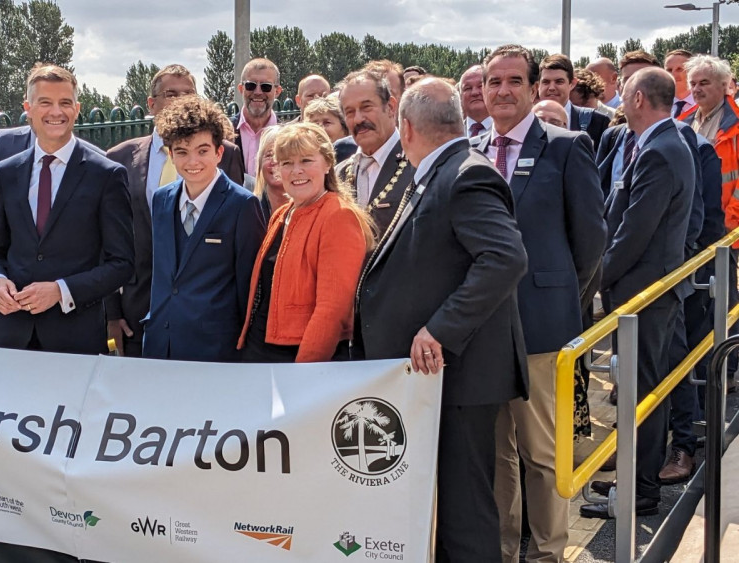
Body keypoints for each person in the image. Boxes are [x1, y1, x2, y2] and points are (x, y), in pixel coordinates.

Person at [358, 76, 528, 562]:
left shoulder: (464, 174)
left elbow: (504, 259)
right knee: (449, 508)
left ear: (406, 127)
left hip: (461, 375)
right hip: (440, 378)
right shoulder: (441, 171)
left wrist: (440, 329)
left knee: (464, 511)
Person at [476, 44, 606, 563]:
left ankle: (549, 551)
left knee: (543, 452)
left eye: (513, 81)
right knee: (496, 452)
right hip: (482, 330)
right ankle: (505, 550)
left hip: (541, 327)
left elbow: (591, 241)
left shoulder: (567, 147)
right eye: (493, 82)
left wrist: (558, 298)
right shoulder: (471, 149)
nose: (502, 91)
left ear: (534, 89)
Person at [581, 67, 697, 520]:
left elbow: (633, 233)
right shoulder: (661, 143)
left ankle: (639, 491)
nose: (621, 104)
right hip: (645, 292)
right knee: (641, 389)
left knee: (644, 393)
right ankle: (636, 479)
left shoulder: (661, 150)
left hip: (644, 295)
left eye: (625, 95)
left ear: (640, 99)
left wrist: (595, 280)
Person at [0, 64, 134, 353]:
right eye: (45, 103)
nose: (56, 112)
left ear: (77, 109)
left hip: (75, 339)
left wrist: (61, 291)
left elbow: (122, 264)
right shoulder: (6, 172)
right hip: (12, 337)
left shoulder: (107, 175)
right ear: (28, 108)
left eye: (65, 103)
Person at [104, 64, 244, 357]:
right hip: (140, 312)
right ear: (151, 104)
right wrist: (111, 312)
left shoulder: (228, 154)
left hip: (209, 324)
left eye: (188, 93)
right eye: (171, 94)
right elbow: (108, 237)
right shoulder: (119, 158)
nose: (181, 101)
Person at [237, 122, 372, 363]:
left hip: (298, 358)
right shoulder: (281, 214)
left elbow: (332, 311)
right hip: (261, 351)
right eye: (287, 163)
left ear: (328, 163)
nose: (296, 170)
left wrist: (304, 370)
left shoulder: (338, 216)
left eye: (306, 161)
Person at [143, 97, 265, 361]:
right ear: (172, 155)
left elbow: (250, 287)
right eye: (182, 152)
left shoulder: (242, 205)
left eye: (202, 150)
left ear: (219, 153)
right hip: (160, 345)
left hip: (216, 350)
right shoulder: (161, 199)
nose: (192, 161)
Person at [336, 69, 416, 238]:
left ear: (391, 107)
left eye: (366, 107)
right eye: (350, 112)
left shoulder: (417, 165)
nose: (358, 119)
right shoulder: (339, 174)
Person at [680, 54, 739, 234]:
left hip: (724, 229)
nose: (696, 89)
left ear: (724, 85)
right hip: (690, 223)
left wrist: (730, 220)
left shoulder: (735, 125)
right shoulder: (683, 123)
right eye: (693, 83)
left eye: (704, 83)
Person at [539, 54, 610, 150]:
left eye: (559, 82)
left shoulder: (596, 122)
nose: (551, 88)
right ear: (537, 85)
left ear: (572, 84)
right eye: (546, 82)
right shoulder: (524, 121)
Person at [231, 57, 282, 174]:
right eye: (251, 85)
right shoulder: (223, 132)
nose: (258, 92)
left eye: (266, 86)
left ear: (277, 91)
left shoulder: (288, 135)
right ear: (241, 89)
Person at [251, 125, 288, 220]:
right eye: (269, 155)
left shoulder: (308, 207)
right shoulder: (249, 208)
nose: (275, 161)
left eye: (282, 155)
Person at [303, 96, 355, 163]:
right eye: (314, 124)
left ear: (345, 128)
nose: (320, 128)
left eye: (327, 122)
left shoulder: (354, 159)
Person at [459, 65, 492, 136]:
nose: (475, 93)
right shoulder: (451, 135)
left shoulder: (505, 133)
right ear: (460, 96)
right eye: (468, 88)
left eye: (480, 86)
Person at [664, 49, 696, 118]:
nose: (673, 74)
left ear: (693, 71)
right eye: (669, 70)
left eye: (679, 69)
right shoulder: (658, 106)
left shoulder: (704, 105)